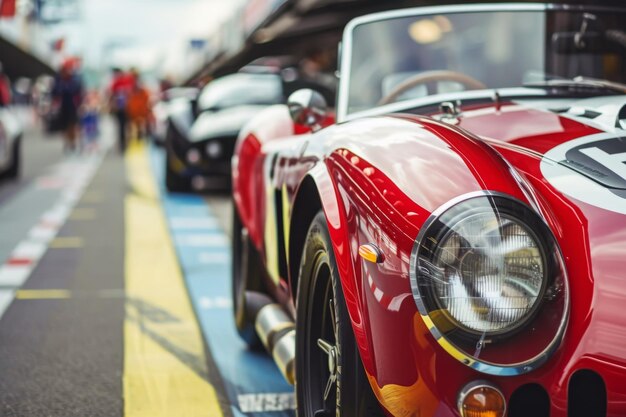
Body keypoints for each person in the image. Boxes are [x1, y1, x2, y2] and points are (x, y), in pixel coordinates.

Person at [52, 60, 83, 153]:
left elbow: (78, 91)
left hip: (72, 106)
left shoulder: (74, 79)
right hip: (62, 107)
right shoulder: (58, 80)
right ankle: (67, 142)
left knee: (72, 125)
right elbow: (54, 93)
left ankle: (72, 142)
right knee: (64, 126)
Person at [107, 68, 132, 152]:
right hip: (119, 109)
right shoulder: (115, 82)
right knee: (121, 127)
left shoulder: (127, 80)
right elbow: (111, 95)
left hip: (127, 108)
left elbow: (131, 93)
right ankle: (122, 144)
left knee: (127, 126)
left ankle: (127, 142)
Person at [125, 70, 152, 142]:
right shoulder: (129, 92)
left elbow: (148, 105)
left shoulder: (144, 91)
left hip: (142, 118)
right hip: (133, 119)